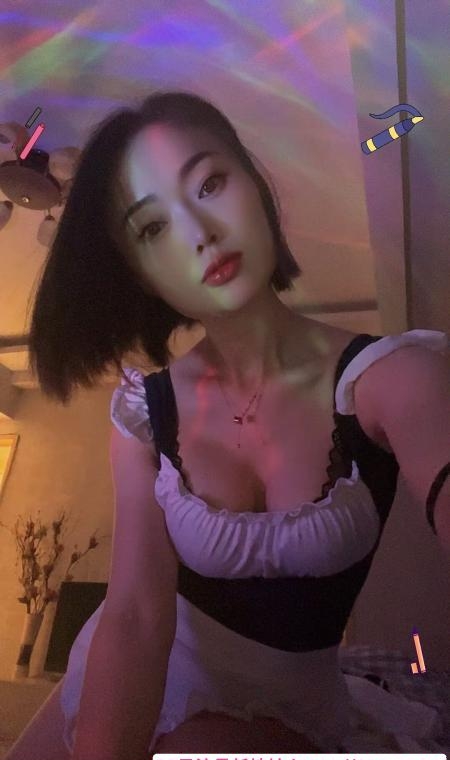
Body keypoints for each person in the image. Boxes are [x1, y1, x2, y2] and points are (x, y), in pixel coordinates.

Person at [5, 90, 447, 760]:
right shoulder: (144, 412)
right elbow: (135, 614)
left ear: (255, 184)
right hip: (151, 672)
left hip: (296, 702)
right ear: (141, 274)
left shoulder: (394, 376)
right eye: (153, 228)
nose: (199, 233)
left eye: (209, 184)